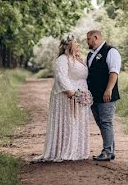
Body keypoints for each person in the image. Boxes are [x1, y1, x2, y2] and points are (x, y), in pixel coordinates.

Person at [41, 33, 91, 161]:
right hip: (68, 96)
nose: (78, 45)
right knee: (69, 121)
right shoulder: (62, 59)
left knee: (77, 121)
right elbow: (61, 76)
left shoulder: (78, 59)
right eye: (76, 43)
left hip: (80, 95)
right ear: (69, 45)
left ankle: (78, 150)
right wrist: (71, 92)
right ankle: (64, 150)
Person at [86, 29, 121, 161]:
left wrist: (109, 90)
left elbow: (114, 72)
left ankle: (107, 152)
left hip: (106, 94)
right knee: (101, 123)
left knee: (106, 122)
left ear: (95, 37)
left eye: (88, 39)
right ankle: (110, 151)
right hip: (94, 96)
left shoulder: (111, 51)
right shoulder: (90, 55)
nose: (87, 42)